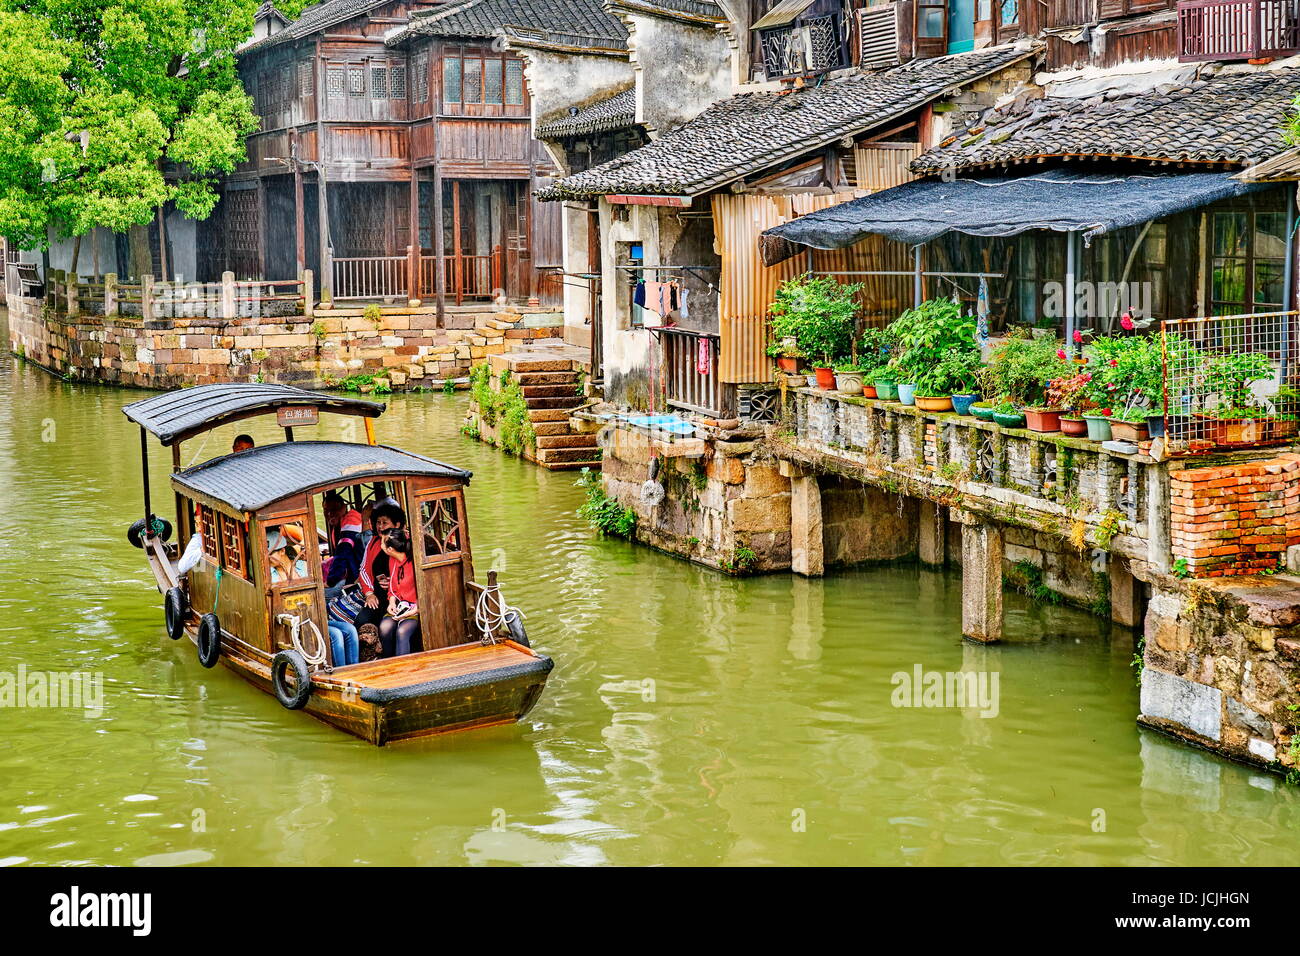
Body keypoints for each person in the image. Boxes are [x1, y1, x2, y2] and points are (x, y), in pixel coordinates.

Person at [354, 501, 406, 641]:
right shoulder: (373, 542)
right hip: (378, 596)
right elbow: (364, 569)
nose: (380, 526)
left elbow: (409, 572)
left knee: (388, 628)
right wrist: (369, 593)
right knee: (361, 620)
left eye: (385, 523)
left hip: (402, 597)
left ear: (397, 525)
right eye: (378, 522)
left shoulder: (405, 542)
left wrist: (394, 584)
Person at [377, 528, 420, 657]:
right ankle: (389, 663)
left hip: (416, 609)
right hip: (401, 607)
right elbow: (392, 588)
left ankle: (403, 669)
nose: (381, 545)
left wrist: (413, 611)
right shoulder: (393, 561)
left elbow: (424, 592)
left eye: (382, 542)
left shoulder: (414, 562)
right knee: (385, 627)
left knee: (402, 631)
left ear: (390, 549)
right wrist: (391, 602)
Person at [326, 586, 364, 667]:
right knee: (336, 634)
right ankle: (341, 673)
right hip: (311, 619)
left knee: (351, 629)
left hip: (325, 618)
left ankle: (354, 669)